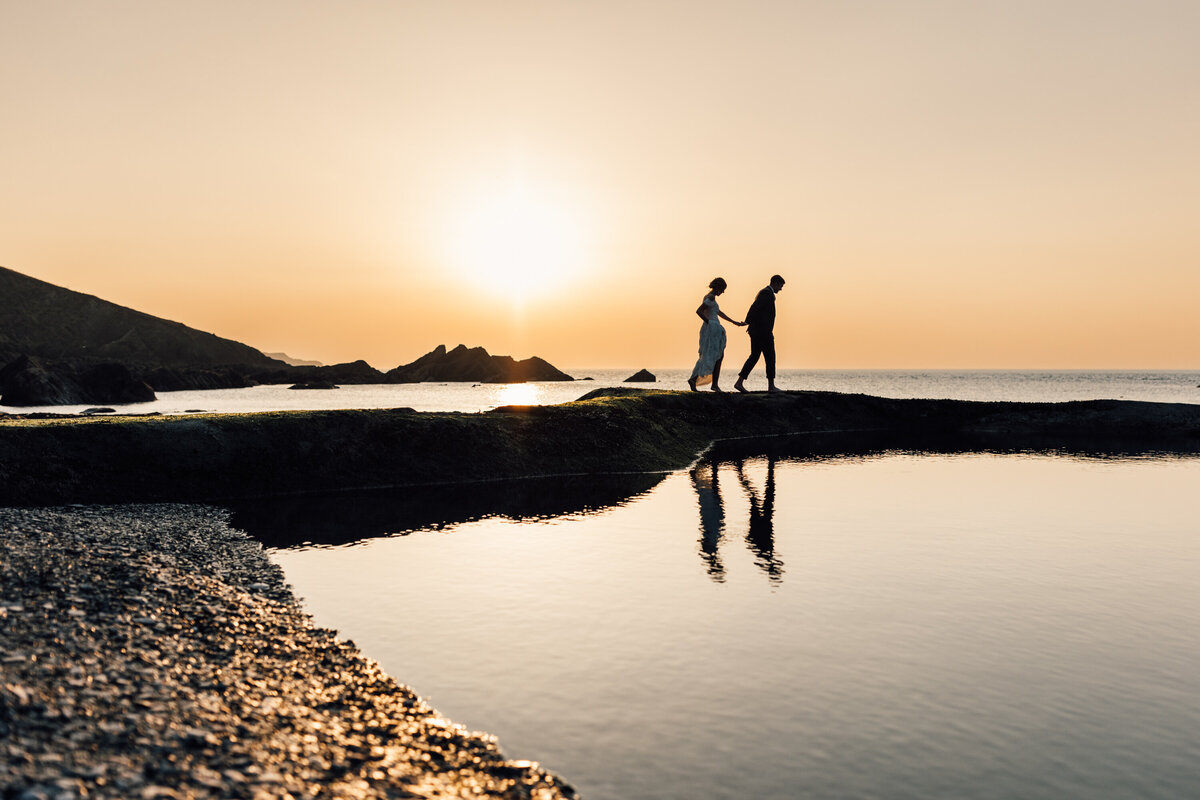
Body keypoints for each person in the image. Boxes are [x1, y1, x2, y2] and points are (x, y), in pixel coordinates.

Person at [688, 277, 745, 392]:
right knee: (715, 356)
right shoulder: (711, 297)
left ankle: (701, 381)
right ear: (718, 287)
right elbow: (699, 311)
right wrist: (709, 322)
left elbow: (719, 313)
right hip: (712, 329)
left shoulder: (710, 298)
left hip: (713, 328)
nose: (723, 292)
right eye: (722, 289)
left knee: (713, 355)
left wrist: (734, 322)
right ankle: (711, 384)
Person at [733, 274, 785, 393]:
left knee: (754, 356)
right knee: (770, 357)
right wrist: (747, 321)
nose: (781, 289)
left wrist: (749, 323)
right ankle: (771, 386)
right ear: (775, 283)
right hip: (762, 332)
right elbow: (754, 307)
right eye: (780, 286)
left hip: (758, 331)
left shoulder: (766, 293)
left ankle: (739, 382)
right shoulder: (766, 293)